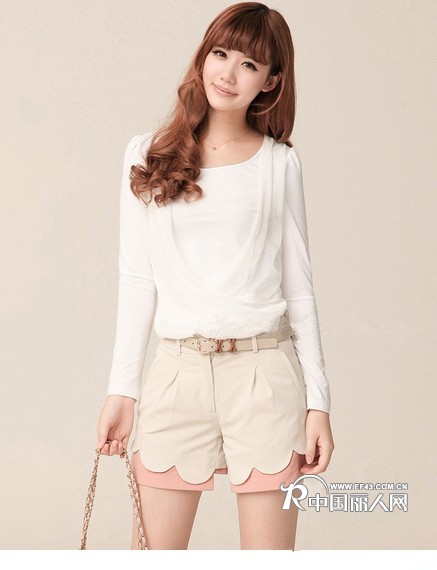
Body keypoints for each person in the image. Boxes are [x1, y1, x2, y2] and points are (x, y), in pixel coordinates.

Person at [96, 1, 334, 550]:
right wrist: (122, 390)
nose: (228, 73)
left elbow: (299, 290)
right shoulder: (147, 154)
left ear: (270, 81)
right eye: (221, 53)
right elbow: (137, 279)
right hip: (177, 372)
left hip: (264, 374)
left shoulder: (278, 164)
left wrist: (319, 401)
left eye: (249, 64)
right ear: (203, 56)